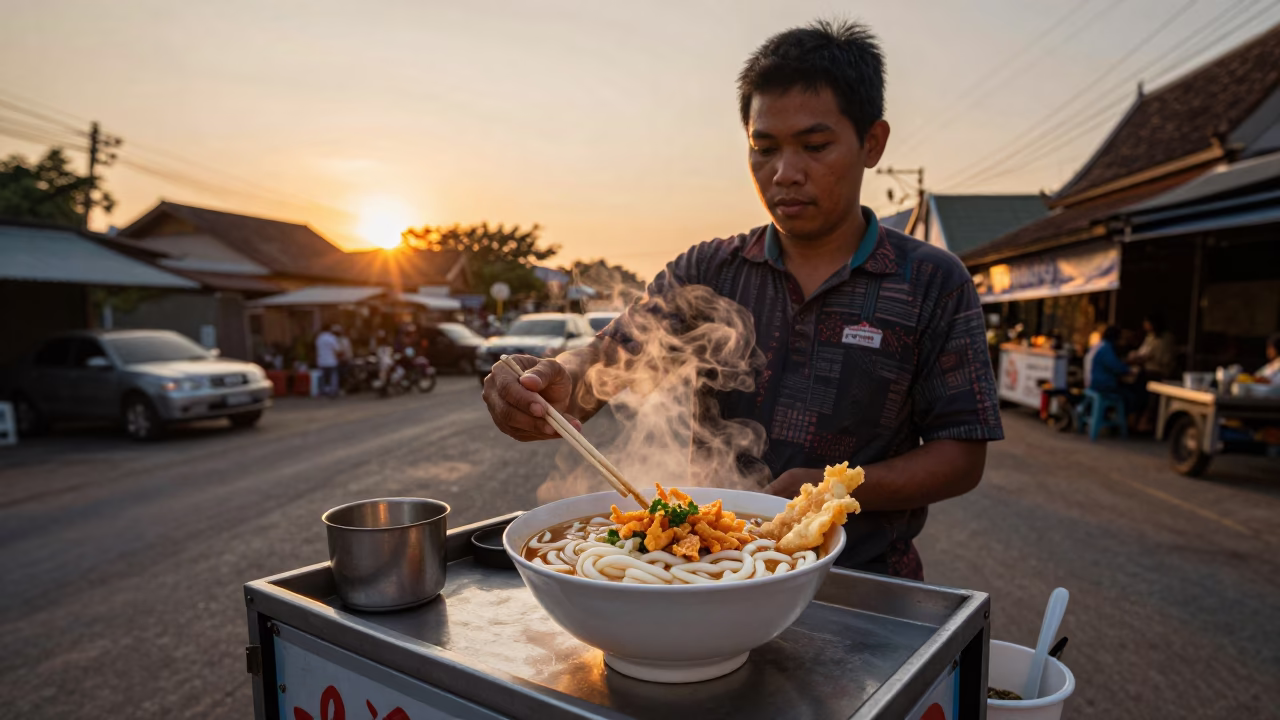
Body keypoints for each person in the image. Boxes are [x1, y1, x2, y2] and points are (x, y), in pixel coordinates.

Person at [481, 20, 1002, 581]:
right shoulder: (710, 270)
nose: (785, 174)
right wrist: (556, 380)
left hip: (866, 580)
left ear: (872, 143)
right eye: (764, 148)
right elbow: (610, 356)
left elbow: (960, 456)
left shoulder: (930, 280)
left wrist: (823, 491)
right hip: (710, 574)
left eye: (815, 146)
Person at [1087, 325, 1141, 413]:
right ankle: (1121, 420)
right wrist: (1129, 369)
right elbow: (1116, 366)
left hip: (1096, 383)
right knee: (1130, 397)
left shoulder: (1102, 346)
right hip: (1103, 386)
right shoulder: (1107, 348)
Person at [1127, 314, 1177, 380]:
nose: (1144, 325)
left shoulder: (1166, 338)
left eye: (1147, 323)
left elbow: (1161, 358)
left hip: (1159, 370)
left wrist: (1145, 358)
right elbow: (1142, 352)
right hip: (1148, 368)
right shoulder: (1150, 336)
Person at [315, 324, 342, 398]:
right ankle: (333, 392)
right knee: (333, 377)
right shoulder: (331, 338)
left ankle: (322, 391)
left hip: (321, 361)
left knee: (323, 378)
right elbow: (337, 350)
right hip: (331, 361)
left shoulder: (319, 338)